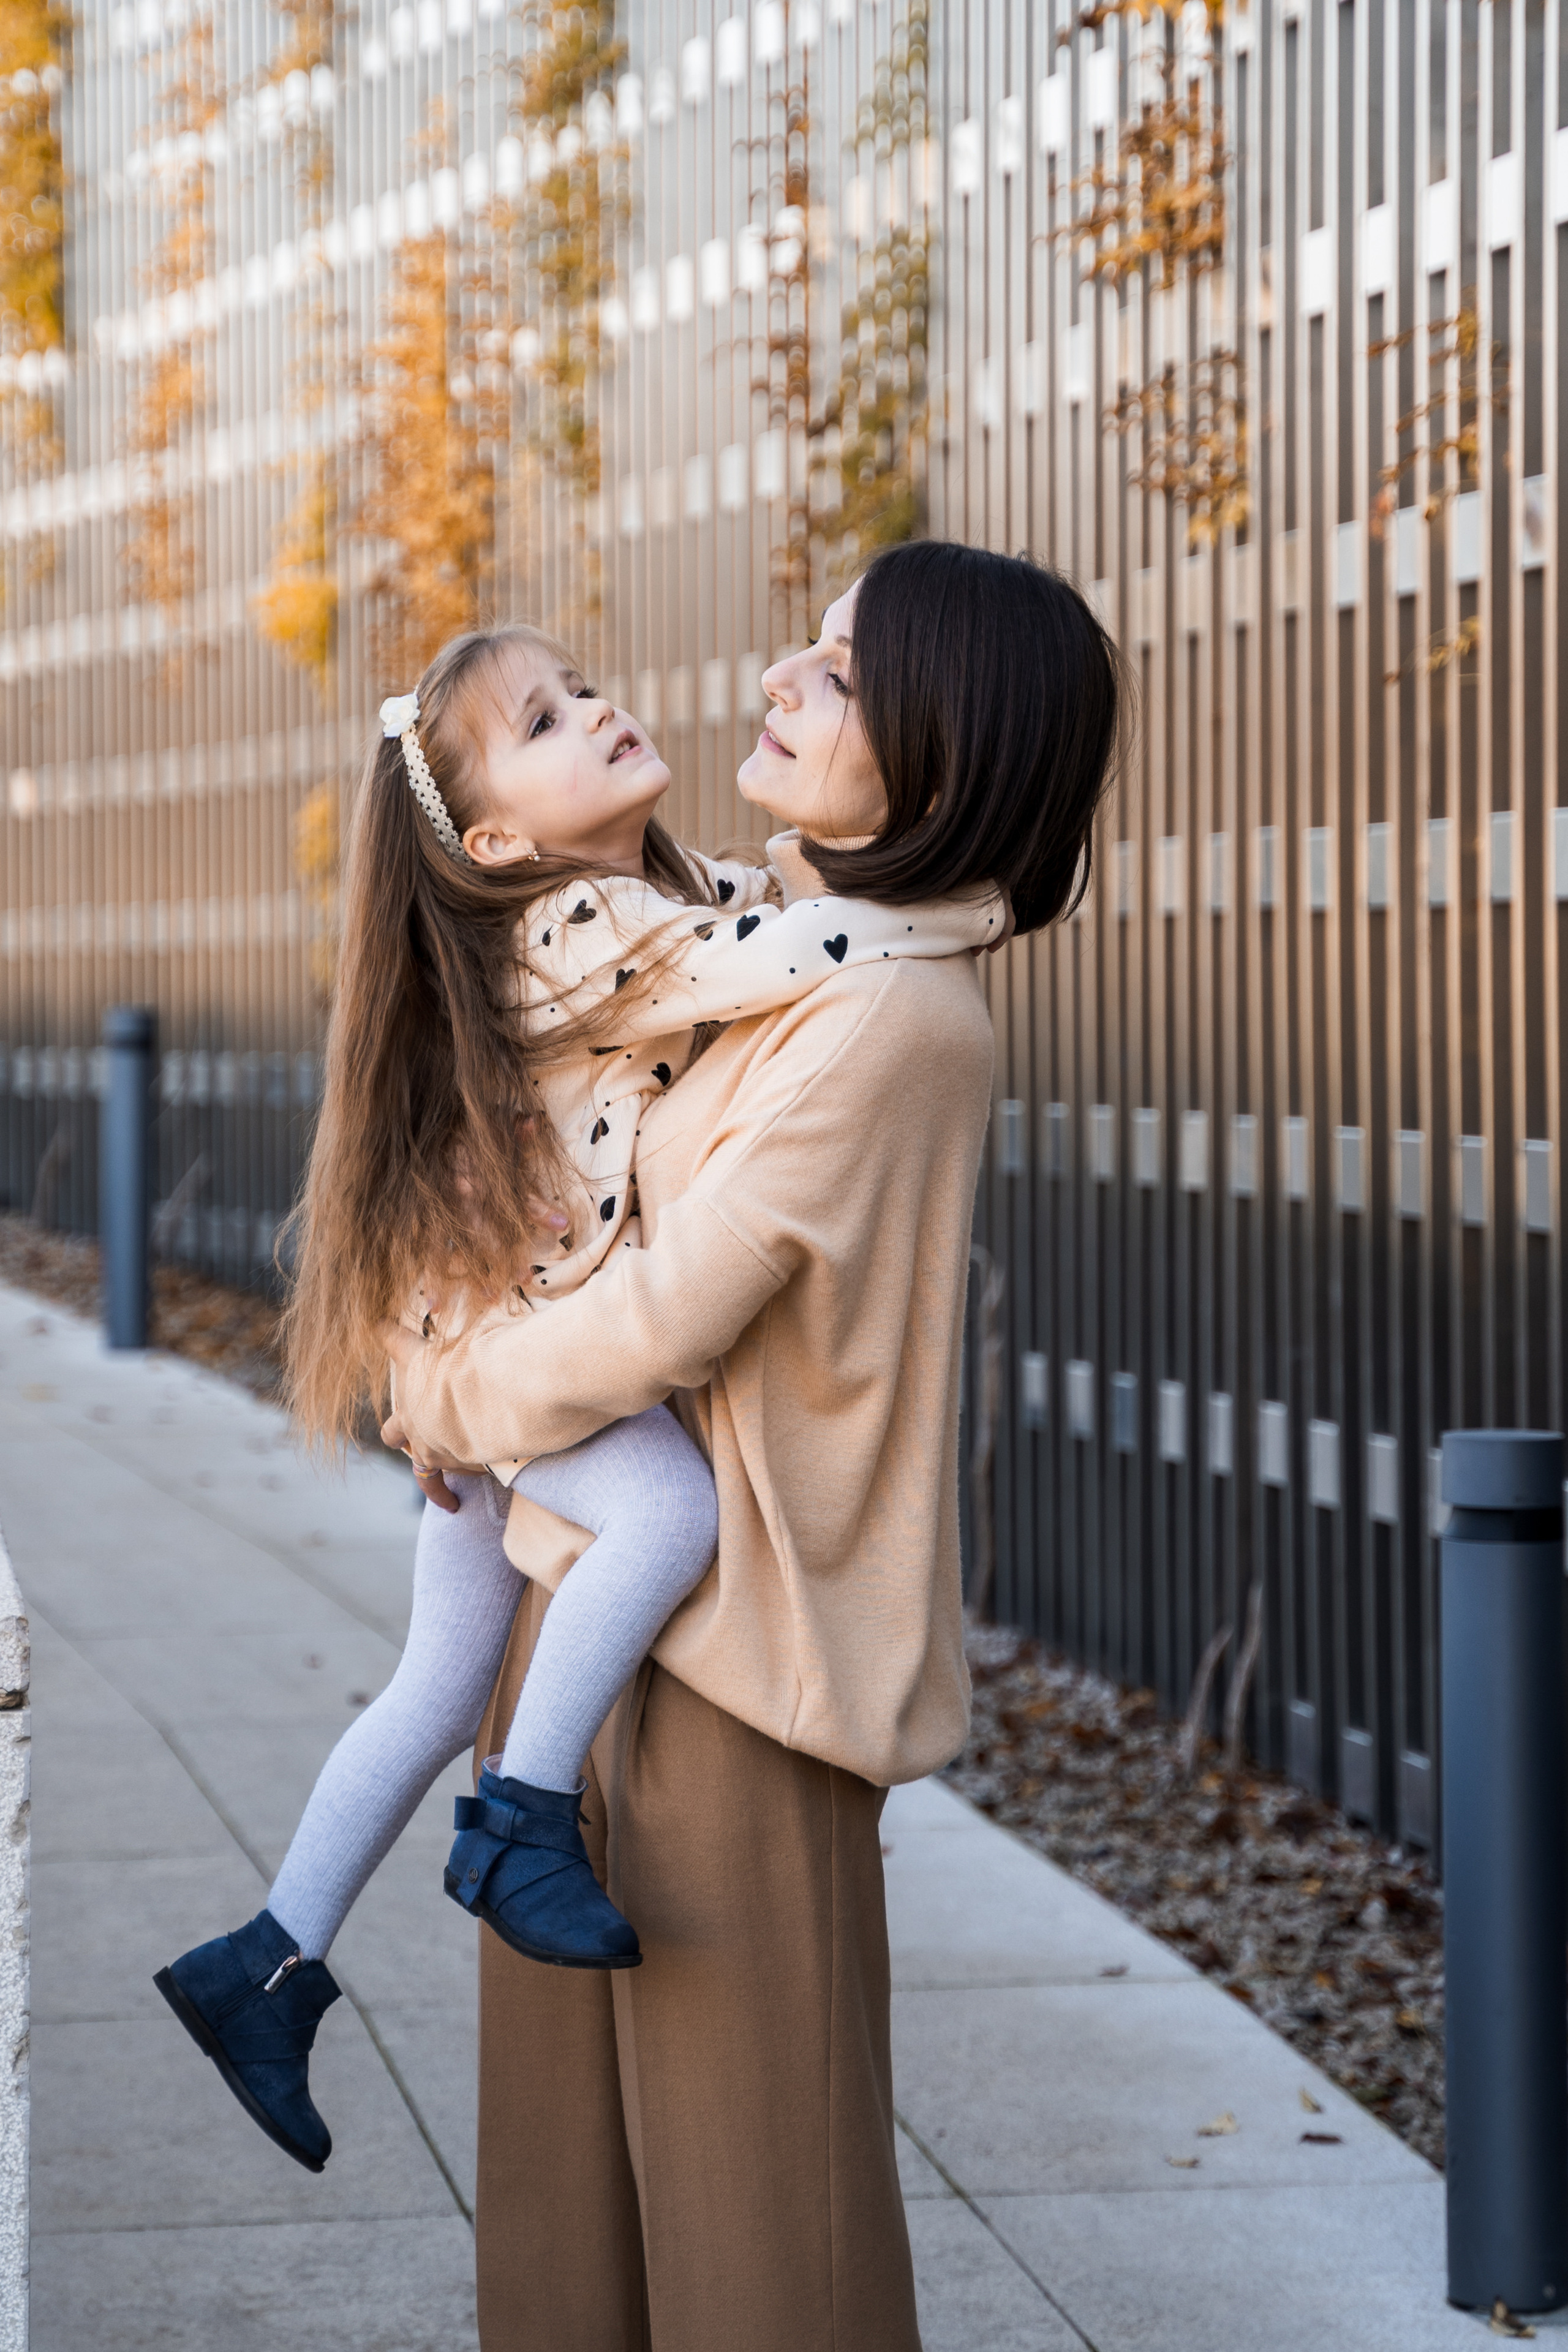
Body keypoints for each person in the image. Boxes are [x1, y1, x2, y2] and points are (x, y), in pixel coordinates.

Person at [381, 541, 1126, 2352]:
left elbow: (668, 1312)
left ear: (941, 763)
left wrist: (432, 1399)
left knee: (760, 2257)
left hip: (740, 1675)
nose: (788, 676)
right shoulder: (746, 940)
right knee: (568, 2240)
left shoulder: (883, 1013)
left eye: (848, 676)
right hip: (585, 1637)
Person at [152, 619, 1002, 2173]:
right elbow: (800, 952)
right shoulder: (564, 930)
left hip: (492, 1344)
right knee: (663, 1509)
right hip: (513, 1363)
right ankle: (522, 1820)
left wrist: (822, 887)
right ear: (491, 842)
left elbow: (755, 916)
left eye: (584, 687)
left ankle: (265, 1962)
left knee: (431, 1682)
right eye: (546, 721)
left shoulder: (648, 907)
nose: (599, 712)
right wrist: (956, 910)